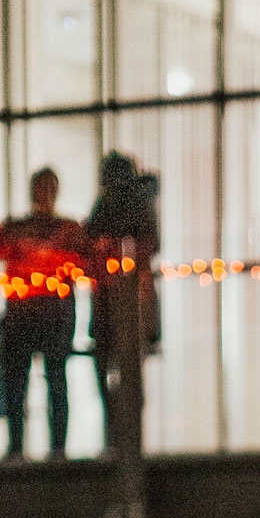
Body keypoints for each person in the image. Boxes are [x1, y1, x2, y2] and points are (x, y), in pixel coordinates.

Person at [0, 167, 89, 461]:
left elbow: (83, 260)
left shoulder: (68, 229)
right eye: (41, 188)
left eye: (48, 188)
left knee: (55, 380)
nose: (44, 195)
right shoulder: (17, 227)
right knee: (18, 382)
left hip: (53, 314)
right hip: (27, 314)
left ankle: (56, 449)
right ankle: (18, 447)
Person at [86, 152, 161, 446]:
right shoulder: (125, 205)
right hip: (114, 298)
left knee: (120, 365)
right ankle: (121, 429)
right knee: (121, 366)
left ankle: (121, 430)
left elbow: (146, 244)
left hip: (125, 298)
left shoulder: (124, 205)